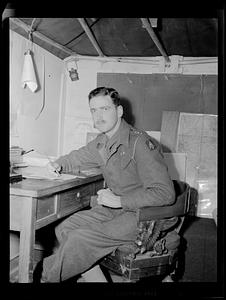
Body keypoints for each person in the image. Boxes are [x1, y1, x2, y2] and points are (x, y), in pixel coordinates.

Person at [38, 87, 175, 282]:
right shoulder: (102, 142)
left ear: (119, 111)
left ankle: (43, 277)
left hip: (145, 216)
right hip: (117, 210)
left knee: (80, 239)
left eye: (104, 109)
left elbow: (165, 193)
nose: (98, 116)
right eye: (93, 110)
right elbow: (78, 157)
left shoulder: (141, 143)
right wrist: (58, 163)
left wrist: (119, 200)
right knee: (65, 228)